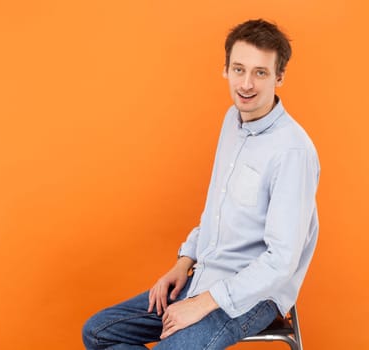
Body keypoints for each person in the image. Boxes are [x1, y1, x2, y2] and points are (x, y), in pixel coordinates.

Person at [82, 19, 320, 349]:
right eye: (238, 69)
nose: (246, 84)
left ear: (279, 77)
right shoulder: (232, 121)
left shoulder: (292, 151)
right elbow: (217, 212)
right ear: (225, 70)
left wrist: (203, 302)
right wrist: (183, 264)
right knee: (98, 331)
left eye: (260, 73)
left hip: (253, 295)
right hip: (205, 274)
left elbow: (280, 261)